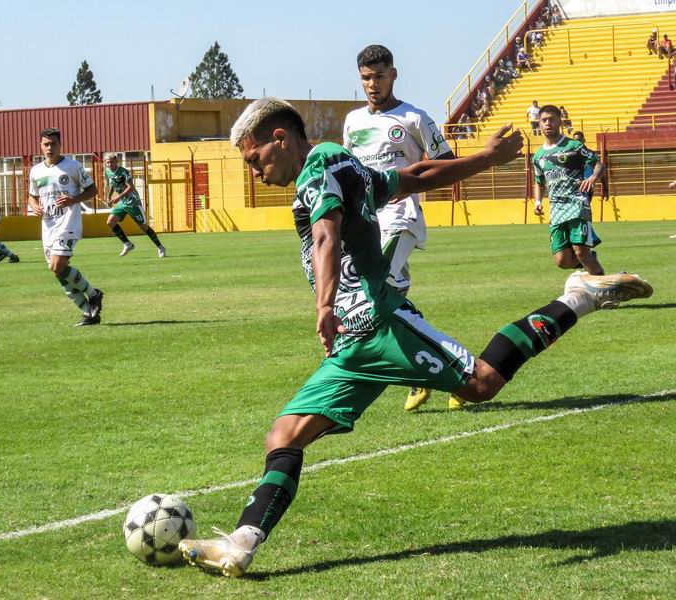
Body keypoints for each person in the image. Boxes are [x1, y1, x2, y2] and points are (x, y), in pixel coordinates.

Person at [177, 98, 653, 578]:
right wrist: (486, 159)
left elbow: (327, 233)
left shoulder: (319, 164)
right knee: (284, 435)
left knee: (481, 384)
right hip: (350, 346)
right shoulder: (344, 166)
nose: (255, 173)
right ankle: (241, 543)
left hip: (382, 324)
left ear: (279, 139)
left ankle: (579, 296)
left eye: (254, 159)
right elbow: (418, 177)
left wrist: (323, 304)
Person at [343, 44, 459, 412]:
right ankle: (444, 372)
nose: (372, 84)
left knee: (374, 295)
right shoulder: (353, 121)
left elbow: (447, 163)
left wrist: (408, 185)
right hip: (364, 223)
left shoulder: (414, 118)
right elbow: (348, 172)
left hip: (399, 218)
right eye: (366, 78)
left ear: (394, 73)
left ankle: (448, 373)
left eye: (379, 76)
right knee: (392, 302)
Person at [28, 128, 104, 326]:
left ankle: (94, 294)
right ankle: (89, 312)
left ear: (60, 145)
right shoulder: (35, 171)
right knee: (57, 271)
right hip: (48, 226)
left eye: (53, 143)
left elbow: (93, 190)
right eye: (46, 144)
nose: (49, 148)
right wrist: (34, 206)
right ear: (40, 146)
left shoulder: (72, 166)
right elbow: (32, 196)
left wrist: (73, 199)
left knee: (56, 265)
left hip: (68, 222)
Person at [533, 106, 607, 275]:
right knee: (562, 261)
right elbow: (539, 181)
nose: (548, 123)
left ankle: (605, 289)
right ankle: (589, 260)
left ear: (560, 121)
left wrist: (593, 178)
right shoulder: (538, 156)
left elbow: (599, 164)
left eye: (552, 119)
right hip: (556, 209)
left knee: (581, 252)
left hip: (577, 204)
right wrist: (537, 201)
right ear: (539, 123)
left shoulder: (573, 146)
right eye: (544, 120)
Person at [103, 153, 166, 258]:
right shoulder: (107, 172)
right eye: (108, 162)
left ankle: (160, 247)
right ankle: (127, 244)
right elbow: (112, 185)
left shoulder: (123, 171)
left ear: (116, 162)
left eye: (112, 162)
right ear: (105, 163)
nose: (110, 164)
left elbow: (131, 187)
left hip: (133, 201)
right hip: (123, 202)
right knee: (110, 221)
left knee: (144, 227)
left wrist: (118, 197)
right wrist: (109, 197)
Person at [572, 131, 609, 201]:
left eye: (580, 140)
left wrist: (605, 189)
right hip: (573, 188)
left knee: (584, 210)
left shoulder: (591, 154)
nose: (578, 143)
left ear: (584, 140)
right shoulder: (569, 155)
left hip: (587, 188)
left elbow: (600, 171)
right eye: (575, 141)